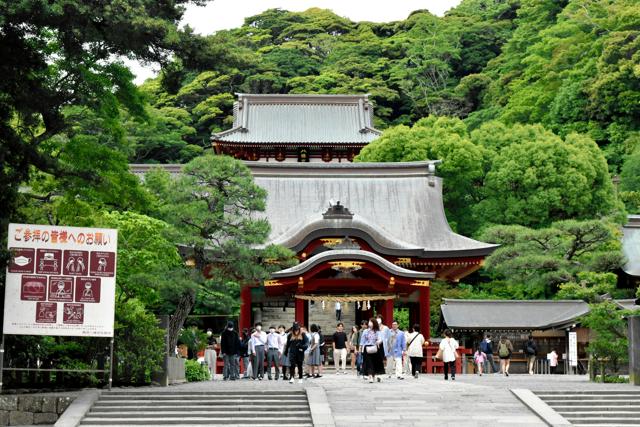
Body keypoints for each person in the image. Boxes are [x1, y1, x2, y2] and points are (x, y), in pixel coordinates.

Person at [360, 317, 385, 383]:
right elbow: (362, 341)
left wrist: (378, 342)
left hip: (375, 348)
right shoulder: (365, 331)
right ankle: (370, 376)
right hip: (367, 349)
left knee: (374, 363)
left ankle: (373, 376)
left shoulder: (377, 331)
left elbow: (380, 339)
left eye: (371, 322)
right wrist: (361, 349)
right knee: (369, 363)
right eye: (369, 322)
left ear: (374, 323)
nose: (369, 323)